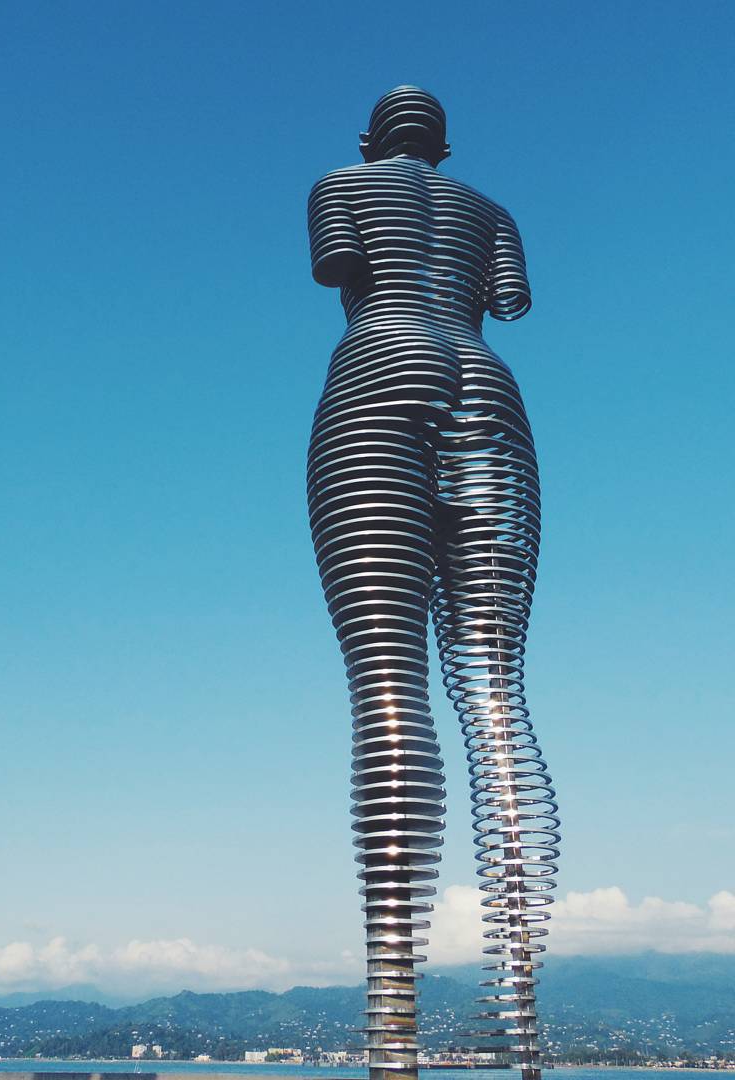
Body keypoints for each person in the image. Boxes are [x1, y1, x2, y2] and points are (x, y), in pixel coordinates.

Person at [306, 87, 559, 1080]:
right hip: (488, 387)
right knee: (496, 695)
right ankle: (521, 1040)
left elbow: (338, 268)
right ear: (445, 147)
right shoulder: (491, 212)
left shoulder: (340, 184)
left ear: (368, 139)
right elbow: (513, 304)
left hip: (377, 374)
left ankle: (394, 1046)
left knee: (388, 681)